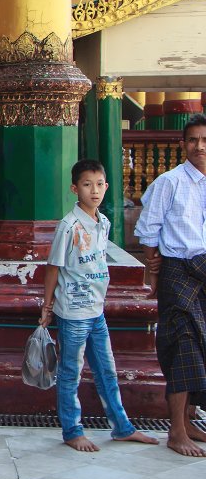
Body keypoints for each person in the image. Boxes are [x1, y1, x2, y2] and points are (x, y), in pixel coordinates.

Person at [39, 159, 159, 453]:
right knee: (71, 373)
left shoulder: (102, 223)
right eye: (86, 184)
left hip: (97, 311)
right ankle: (72, 430)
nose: (94, 191)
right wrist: (47, 305)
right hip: (73, 312)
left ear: (106, 186)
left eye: (99, 184)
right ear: (74, 188)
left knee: (107, 371)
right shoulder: (68, 226)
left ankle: (122, 427)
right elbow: (53, 268)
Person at [134, 114, 206, 457]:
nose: (199, 146)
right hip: (178, 269)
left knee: (203, 349)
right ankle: (176, 431)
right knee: (183, 346)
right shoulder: (169, 182)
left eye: (205, 140)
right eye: (193, 140)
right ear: (183, 144)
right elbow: (149, 228)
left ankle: (191, 420)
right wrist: (153, 266)